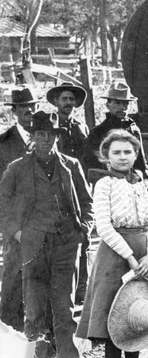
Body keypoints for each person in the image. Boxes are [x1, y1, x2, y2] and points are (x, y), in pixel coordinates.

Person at [0, 110, 99, 358]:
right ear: (33, 137)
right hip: (32, 246)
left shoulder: (71, 166)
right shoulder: (17, 168)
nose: (46, 140)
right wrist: (17, 234)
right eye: (41, 135)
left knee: (64, 306)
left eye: (51, 135)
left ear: (57, 137)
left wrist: (83, 231)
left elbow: (87, 203)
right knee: (34, 309)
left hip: (66, 244)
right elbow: (3, 206)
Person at [75, 129, 148, 358]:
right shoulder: (104, 184)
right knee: (115, 319)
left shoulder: (139, 184)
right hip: (115, 257)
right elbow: (104, 227)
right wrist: (132, 259)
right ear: (106, 158)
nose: (123, 157)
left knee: (136, 316)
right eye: (116, 153)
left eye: (127, 152)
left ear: (135, 155)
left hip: (143, 256)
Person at [46, 81, 91, 305]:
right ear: (56, 102)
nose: (68, 103)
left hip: (77, 188)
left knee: (83, 235)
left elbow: (85, 160)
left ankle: (81, 288)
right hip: (56, 188)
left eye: (71, 99)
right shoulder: (51, 126)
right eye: (64, 99)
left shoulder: (81, 128)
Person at [0, 87, 37, 331]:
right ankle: (8, 330)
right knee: (13, 275)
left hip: (40, 221)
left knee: (38, 278)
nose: (29, 112)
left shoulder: (46, 137)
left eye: (32, 107)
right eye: (24, 108)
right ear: (14, 112)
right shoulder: (3, 143)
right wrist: (10, 227)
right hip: (14, 223)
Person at [84, 81, 148, 182]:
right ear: (108, 105)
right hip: (108, 184)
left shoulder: (133, 130)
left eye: (125, 103)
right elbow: (91, 166)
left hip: (132, 183)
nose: (122, 107)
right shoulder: (98, 132)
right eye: (117, 103)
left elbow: (141, 162)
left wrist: (143, 178)